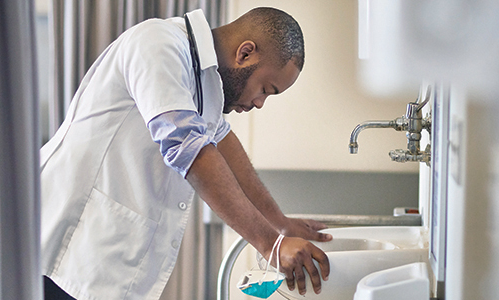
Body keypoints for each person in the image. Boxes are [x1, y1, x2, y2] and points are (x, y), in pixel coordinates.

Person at [39, 7, 331, 300]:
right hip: (65, 255)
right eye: (265, 89)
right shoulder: (158, 43)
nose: (259, 103)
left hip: (103, 264)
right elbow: (186, 146)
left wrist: (278, 223)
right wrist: (270, 244)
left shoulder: (205, 82)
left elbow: (222, 141)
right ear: (245, 53)